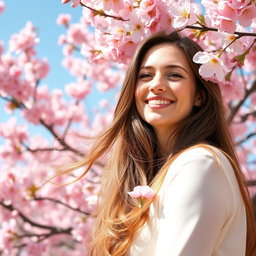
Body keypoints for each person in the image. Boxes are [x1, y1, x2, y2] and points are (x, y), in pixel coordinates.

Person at [65, 31, 256, 255]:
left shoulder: (199, 164)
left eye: (174, 75)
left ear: (199, 96)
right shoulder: (160, 175)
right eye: (145, 75)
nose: (157, 85)